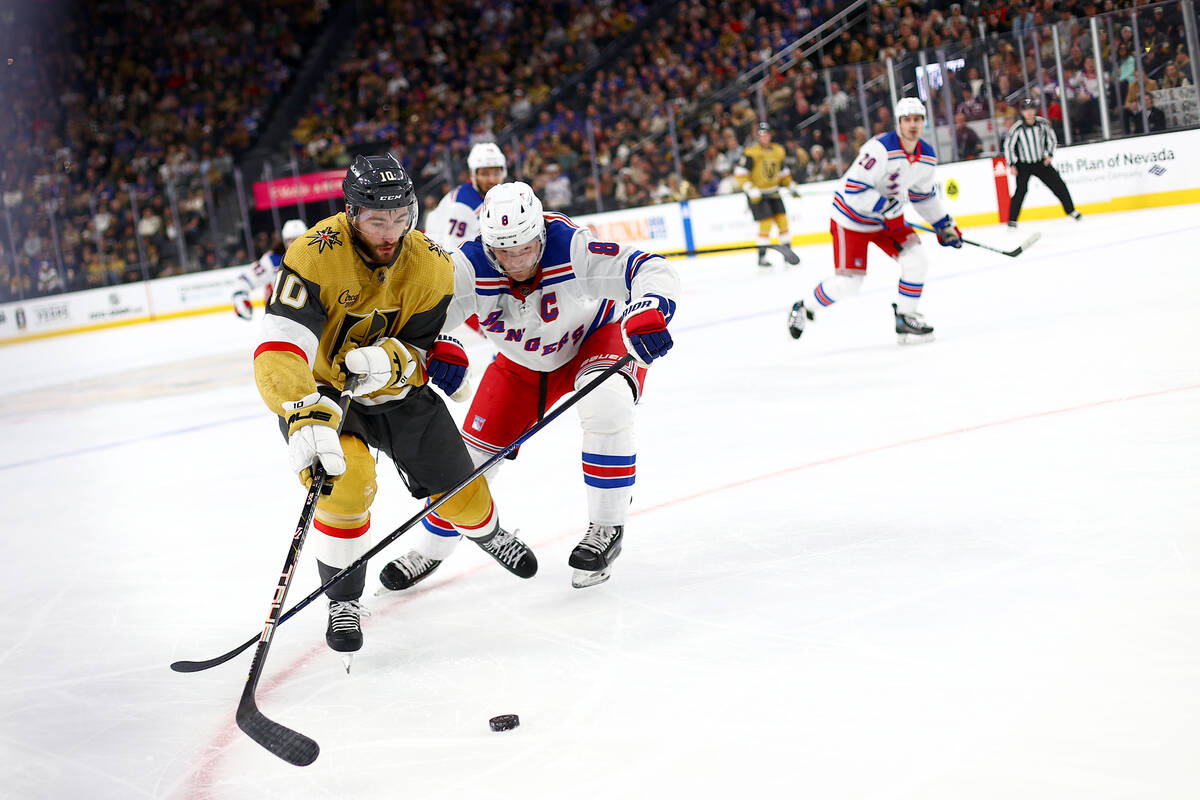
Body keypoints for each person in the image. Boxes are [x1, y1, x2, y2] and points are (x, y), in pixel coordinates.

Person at [251, 154, 537, 668]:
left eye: (401, 217)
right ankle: (343, 600)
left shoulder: (429, 261)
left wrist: (398, 362)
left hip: (396, 391)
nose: (391, 232)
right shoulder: (315, 254)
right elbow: (280, 344)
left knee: (461, 493)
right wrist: (299, 411)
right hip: (324, 397)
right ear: (351, 213)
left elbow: (430, 347)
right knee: (347, 483)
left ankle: (490, 533)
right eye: (377, 220)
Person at [377, 181, 679, 591]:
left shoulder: (570, 246)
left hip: (594, 336)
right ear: (487, 244)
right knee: (464, 464)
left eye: (525, 248)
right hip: (521, 364)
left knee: (606, 403)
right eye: (504, 252)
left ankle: (607, 527)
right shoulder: (465, 267)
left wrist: (651, 307)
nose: (517, 261)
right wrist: (440, 345)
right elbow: (421, 322)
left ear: (540, 233)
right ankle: (429, 550)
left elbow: (650, 268)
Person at [786, 97, 962, 345]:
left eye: (917, 119)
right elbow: (854, 189)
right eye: (907, 119)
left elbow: (923, 197)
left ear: (924, 122)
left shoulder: (927, 156)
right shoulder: (879, 148)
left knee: (917, 260)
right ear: (898, 123)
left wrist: (944, 224)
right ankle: (804, 307)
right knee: (849, 284)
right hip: (852, 219)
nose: (913, 125)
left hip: (887, 219)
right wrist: (883, 206)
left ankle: (906, 316)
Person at [1003, 98, 1081, 228]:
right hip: (1024, 164)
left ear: (1035, 110)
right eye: (1025, 110)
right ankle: (1012, 220)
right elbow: (1008, 146)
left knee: (1058, 185)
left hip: (1040, 162)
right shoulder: (1017, 128)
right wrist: (1012, 164)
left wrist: (1049, 155)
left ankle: (1071, 210)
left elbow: (1051, 139)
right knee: (1020, 191)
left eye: (1031, 109)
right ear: (1021, 112)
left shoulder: (1042, 124)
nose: (1029, 112)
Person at [735, 122, 800, 268]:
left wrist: (790, 185)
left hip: (773, 191)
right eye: (761, 134)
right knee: (766, 224)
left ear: (770, 135)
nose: (764, 137)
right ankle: (762, 257)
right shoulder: (751, 153)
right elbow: (740, 174)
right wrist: (749, 188)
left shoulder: (778, 151)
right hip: (758, 194)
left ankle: (788, 254)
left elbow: (782, 172)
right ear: (758, 136)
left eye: (766, 134)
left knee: (782, 221)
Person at [423, 141, 507, 251]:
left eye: (496, 173)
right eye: (485, 174)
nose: (492, 179)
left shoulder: (501, 194)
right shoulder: (461, 204)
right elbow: (453, 252)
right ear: (473, 175)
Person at [232, 219, 306, 320]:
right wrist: (240, 297)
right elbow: (245, 279)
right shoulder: (272, 260)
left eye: (299, 239)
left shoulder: (318, 257)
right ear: (284, 242)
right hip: (280, 319)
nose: (295, 244)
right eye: (291, 240)